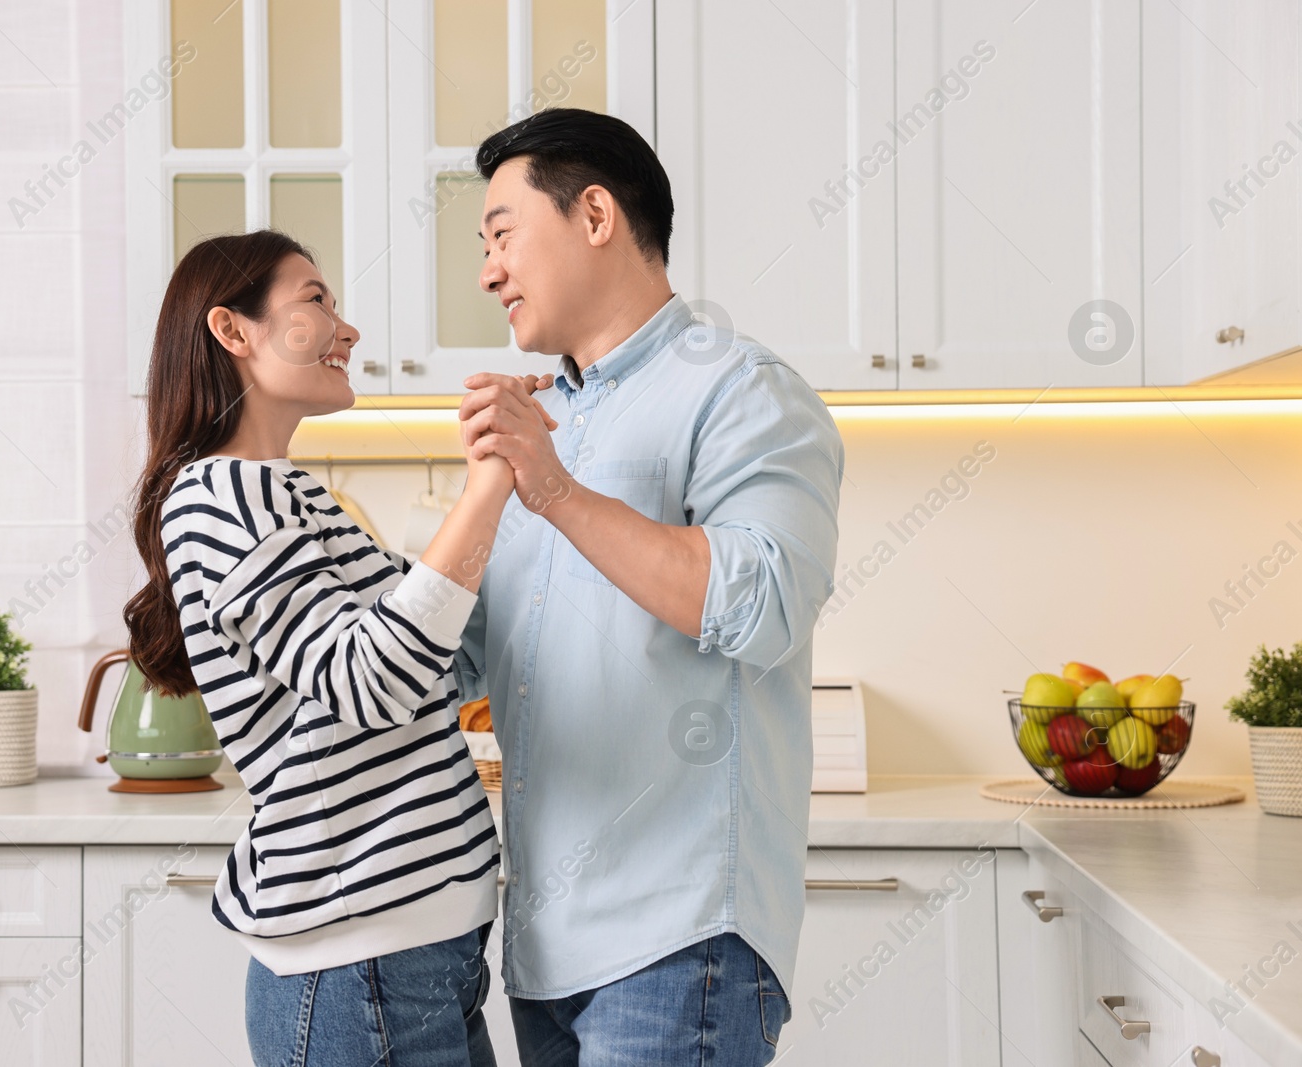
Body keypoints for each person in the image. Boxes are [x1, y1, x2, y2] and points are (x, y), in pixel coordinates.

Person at [456, 108, 845, 1065]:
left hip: (680, 939)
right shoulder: (545, 424)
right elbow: (466, 661)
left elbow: (764, 605)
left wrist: (550, 488)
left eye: (503, 234)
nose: (487, 270)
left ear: (595, 215)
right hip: (544, 948)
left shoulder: (741, 389)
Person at [123, 230, 557, 1066]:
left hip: (411, 956)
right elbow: (374, 680)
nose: (347, 329)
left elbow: (441, 663)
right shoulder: (219, 498)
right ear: (234, 330)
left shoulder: (290, 495)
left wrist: (535, 477)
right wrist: (488, 485)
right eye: (316, 300)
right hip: (358, 961)